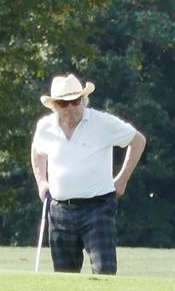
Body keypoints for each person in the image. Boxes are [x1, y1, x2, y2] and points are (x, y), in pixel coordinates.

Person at [30, 73, 146, 274]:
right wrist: (41, 182)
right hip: (60, 210)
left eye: (75, 101)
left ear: (83, 100)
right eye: (63, 103)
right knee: (65, 277)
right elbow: (37, 151)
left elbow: (138, 140)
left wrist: (122, 179)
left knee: (104, 272)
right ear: (55, 105)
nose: (70, 107)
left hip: (98, 207)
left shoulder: (102, 122)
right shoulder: (45, 127)